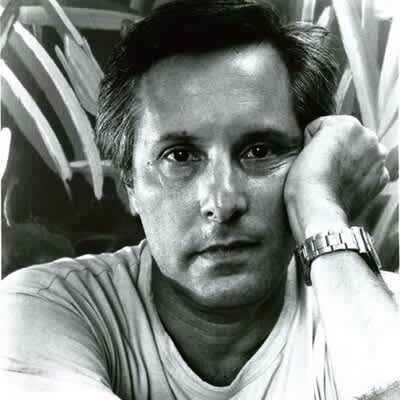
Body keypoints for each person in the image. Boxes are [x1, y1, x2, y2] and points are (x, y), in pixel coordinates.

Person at [1, 1, 399, 399]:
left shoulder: (385, 314)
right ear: (130, 184)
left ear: (310, 159)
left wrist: (321, 211)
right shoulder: (40, 309)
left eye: (260, 151)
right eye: (180, 156)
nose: (223, 203)